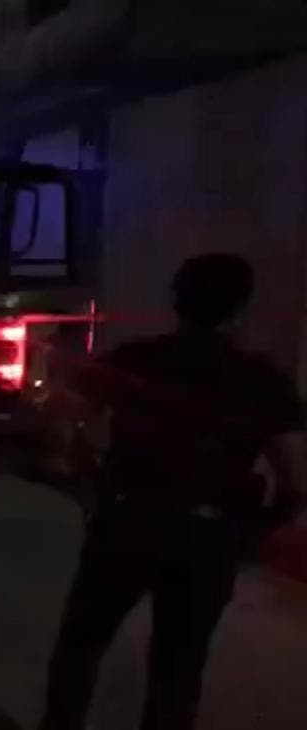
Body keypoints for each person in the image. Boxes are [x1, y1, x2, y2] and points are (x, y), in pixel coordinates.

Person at [39, 253, 307, 730]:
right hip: (206, 534)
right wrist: (258, 524)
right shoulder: (262, 380)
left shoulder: (136, 359)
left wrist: (89, 476)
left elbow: (65, 424)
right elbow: (293, 479)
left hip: (127, 520)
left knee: (81, 645)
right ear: (240, 309)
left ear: (177, 301)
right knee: (178, 667)